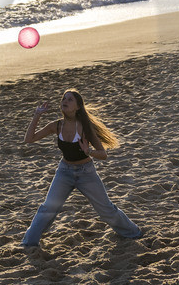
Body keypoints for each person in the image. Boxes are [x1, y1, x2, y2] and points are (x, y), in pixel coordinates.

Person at [21, 89, 144, 245]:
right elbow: (29, 139)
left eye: (70, 99)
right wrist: (37, 115)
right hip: (64, 172)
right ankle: (29, 244)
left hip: (86, 173)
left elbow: (103, 154)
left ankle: (134, 233)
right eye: (63, 98)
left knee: (106, 210)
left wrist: (89, 151)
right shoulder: (56, 126)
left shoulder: (86, 128)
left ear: (78, 106)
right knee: (47, 209)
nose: (65, 101)